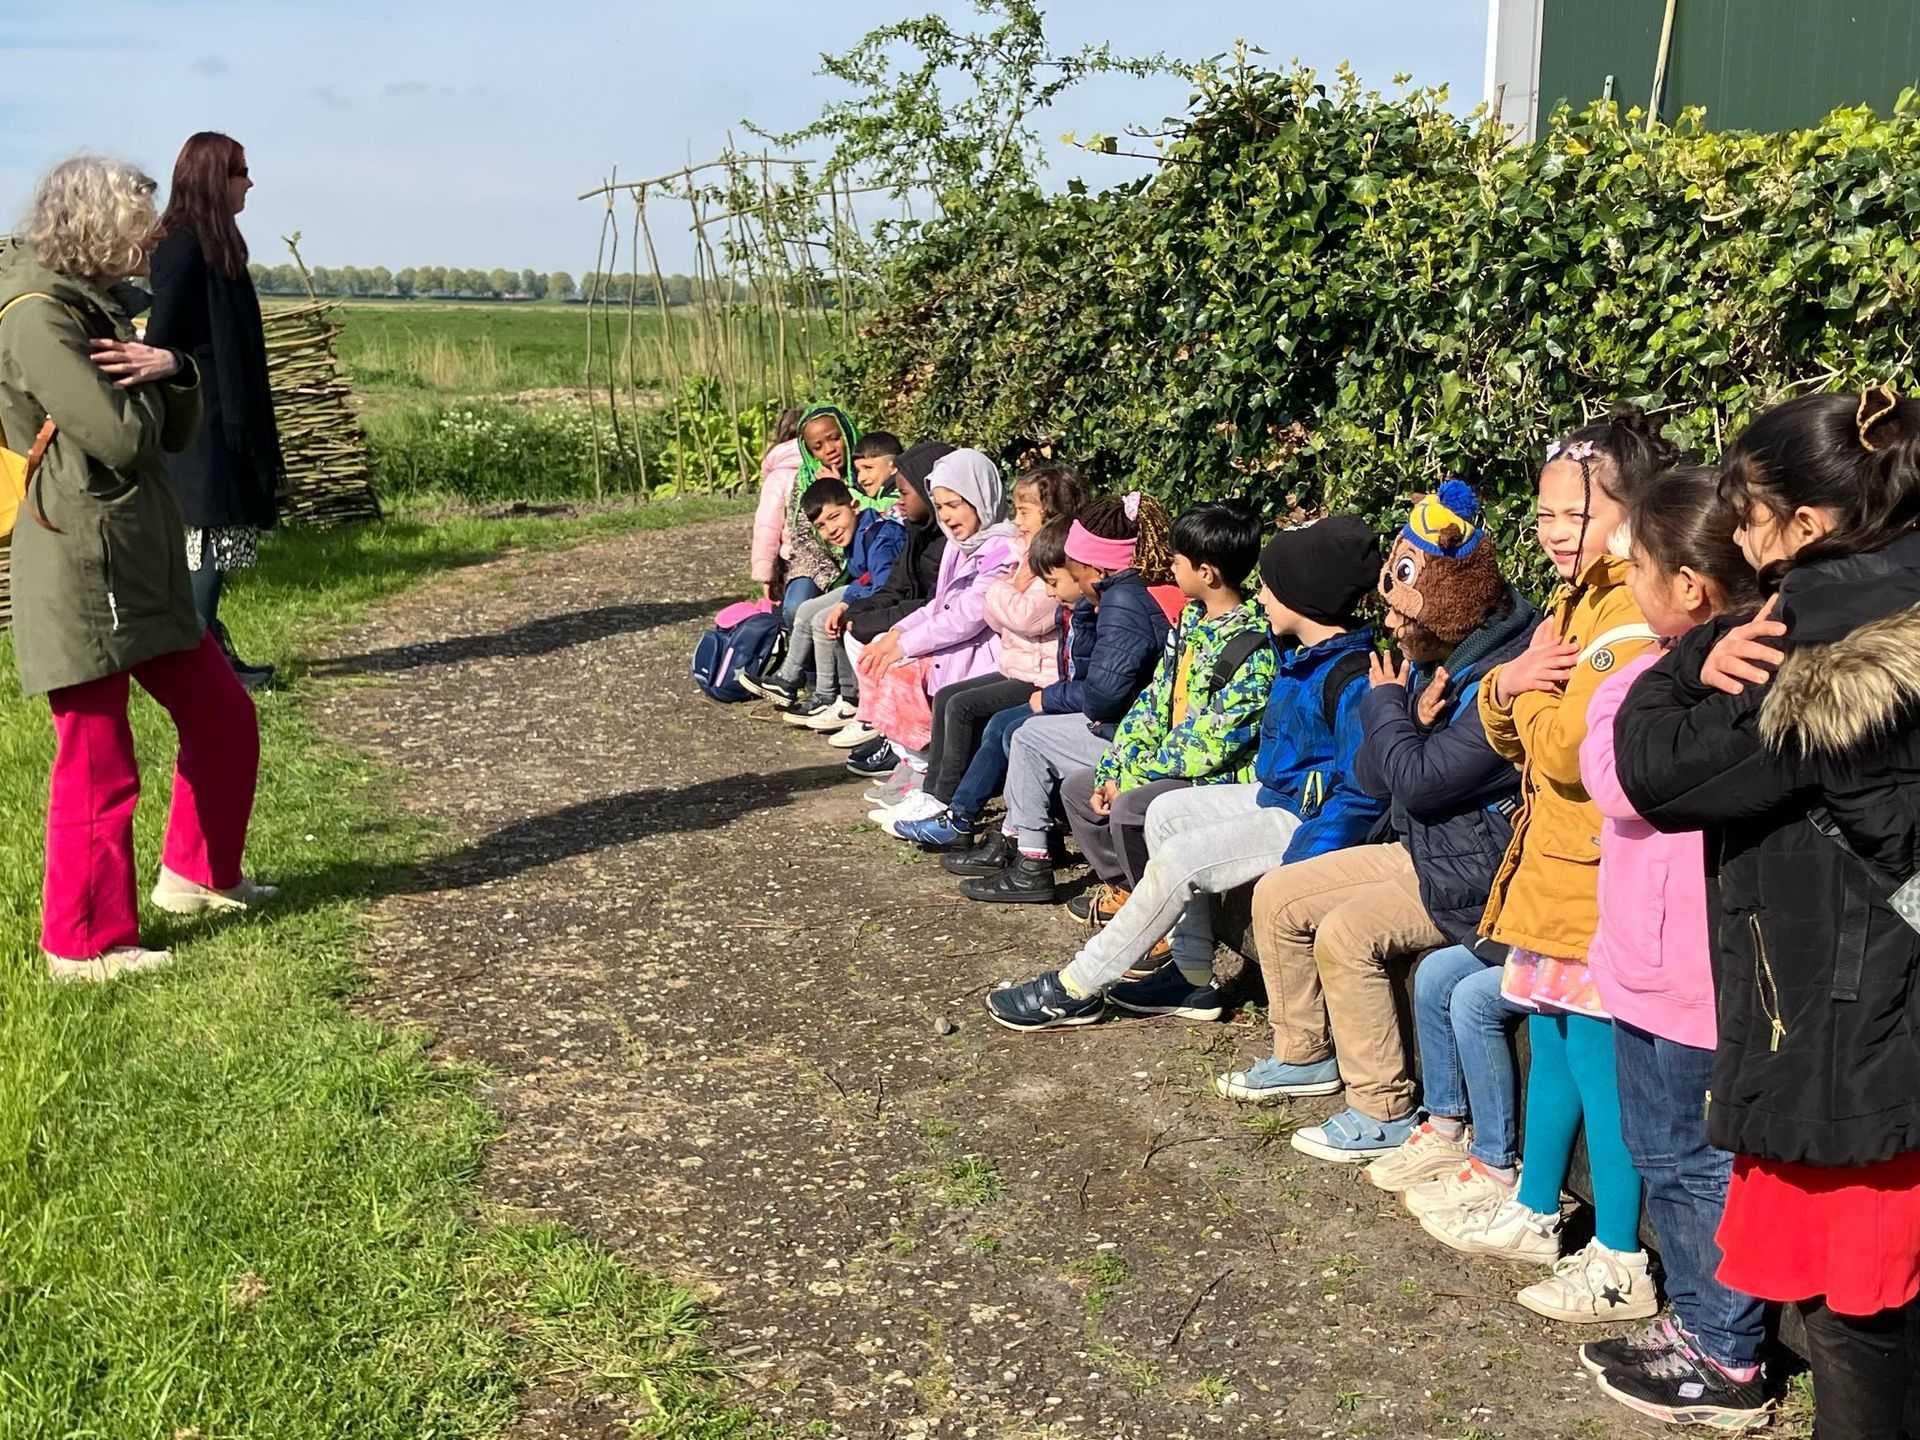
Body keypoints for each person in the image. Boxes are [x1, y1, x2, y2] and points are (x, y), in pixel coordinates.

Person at [1616, 387, 1920, 1440]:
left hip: (1854, 1016)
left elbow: (1657, 772)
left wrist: (1687, 661)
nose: (1740, 542)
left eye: (1748, 514)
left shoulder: (1807, 634)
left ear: (1808, 524)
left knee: (1861, 1313)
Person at [1417, 407, 1673, 1329]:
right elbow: (1497, 722)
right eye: (1542, 515)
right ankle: (1534, 1209)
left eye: (1574, 514)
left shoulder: (1632, 610)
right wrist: (1508, 686)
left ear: (1629, 510)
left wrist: (1519, 696)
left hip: (1599, 873)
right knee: (1560, 1036)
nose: (1554, 534)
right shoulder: (1575, 603)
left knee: (1600, 1058)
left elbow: (1571, 755)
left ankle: (1620, 1255)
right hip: (1552, 867)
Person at [0, 155, 272, 983]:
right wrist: (154, 377)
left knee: (225, 716)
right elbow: (120, 437)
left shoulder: (98, 311)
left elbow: (168, 428)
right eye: (133, 221)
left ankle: (199, 875)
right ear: (89, 225)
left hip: (137, 557)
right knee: (97, 756)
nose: (149, 237)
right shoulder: (38, 317)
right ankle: (81, 942)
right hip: (82, 559)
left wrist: (172, 366)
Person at [1221, 482, 1537, 1163]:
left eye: (1402, 615)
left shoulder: (1496, 677)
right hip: (1429, 850)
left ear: (1443, 607)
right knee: (1280, 893)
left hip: (1475, 873)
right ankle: (1303, 1053)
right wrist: (1398, 716)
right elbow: (1373, 776)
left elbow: (1420, 784)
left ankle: (1382, 1105)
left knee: (1347, 934)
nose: (1390, 627)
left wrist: (1391, 709)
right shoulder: (1433, 662)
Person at [984, 515, 1386, 1030]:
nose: (1260, 597)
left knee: (1184, 855)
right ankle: (1193, 978)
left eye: (1272, 588)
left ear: (1304, 597)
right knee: (1168, 813)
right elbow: (1163, 704)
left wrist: (1304, 864)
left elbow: (1358, 794)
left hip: (1308, 822)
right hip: (1278, 796)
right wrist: (1120, 766)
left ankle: (1078, 984)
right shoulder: (1299, 657)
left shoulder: (1349, 677)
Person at [1573, 466, 1770, 1429]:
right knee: (1664, 1150)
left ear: (1689, 585)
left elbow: (1610, 776)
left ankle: (1726, 1353)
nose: (1628, 578)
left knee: (1694, 1162)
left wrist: (1623, 680)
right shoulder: (1685, 664)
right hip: (1648, 965)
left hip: (1693, 976)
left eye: (1641, 563)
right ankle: (1700, 1323)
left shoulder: (1694, 676)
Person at [1050, 498, 1273, 923]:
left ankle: (1156, 920)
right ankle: (1130, 889)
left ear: (1205, 572)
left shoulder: (1252, 646)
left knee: (1133, 806)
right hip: (1167, 765)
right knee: (1079, 790)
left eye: (1177, 561)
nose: (1168, 568)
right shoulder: (1190, 621)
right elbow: (1153, 701)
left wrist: (1132, 781)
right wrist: (1113, 770)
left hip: (1216, 775)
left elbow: (1210, 744)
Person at [955, 492, 1175, 903]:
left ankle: (1032, 862)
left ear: (1094, 566)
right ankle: (1024, 843)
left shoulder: (1123, 600)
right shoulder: (1139, 589)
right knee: (1028, 731)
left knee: (1030, 737)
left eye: (1072, 570)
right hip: (1139, 725)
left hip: (1131, 731)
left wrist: (1092, 615)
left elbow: (1103, 695)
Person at [144, 131, 283, 691]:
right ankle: (197, 671)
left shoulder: (213, 242)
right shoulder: (181, 245)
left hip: (225, 416)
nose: (249, 181)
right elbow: (161, 340)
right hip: (198, 422)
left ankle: (212, 657)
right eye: (240, 171)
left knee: (217, 540)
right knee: (205, 539)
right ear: (211, 178)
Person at [883, 464, 1087, 835]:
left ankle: (949, 803)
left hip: (1043, 675)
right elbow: (998, 615)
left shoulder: (1055, 560)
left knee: (967, 708)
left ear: (1051, 512)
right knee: (950, 697)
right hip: (1021, 666)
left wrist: (1004, 588)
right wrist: (1010, 587)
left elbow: (1025, 616)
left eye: (1025, 512)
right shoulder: (1024, 555)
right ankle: (933, 794)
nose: (1016, 520)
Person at [853, 449, 1021, 796]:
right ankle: (911, 759)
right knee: (880, 654)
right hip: (956, 647)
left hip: (981, 655)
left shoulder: (1002, 549)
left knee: (903, 669)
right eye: (940, 506)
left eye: (956, 504)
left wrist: (904, 645)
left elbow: (966, 618)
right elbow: (939, 604)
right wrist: (896, 634)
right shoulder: (959, 547)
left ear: (980, 498)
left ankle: (925, 770)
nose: (947, 516)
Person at [744, 476, 906, 727]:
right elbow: (864, 577)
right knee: (807, 608)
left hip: (883, 596)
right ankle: (788, 680)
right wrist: (848, 598)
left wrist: (846, 604)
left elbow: (882, 584)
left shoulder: (878, 536)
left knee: (823, 620)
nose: (830, 530)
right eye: (821, 525)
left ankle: (836, 697)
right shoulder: (859, 531)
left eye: (834, 517)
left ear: (854, 506)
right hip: (865, 587)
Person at [837, 441, 953, 779]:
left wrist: (876, 623)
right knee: (855, 631)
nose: (898, 501)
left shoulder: (947, 543)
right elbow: (896, 586)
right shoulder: (917, 531)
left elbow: (935, 605)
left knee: (875, 645)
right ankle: (886, 730)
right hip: (916, 618)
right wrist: (854, 611)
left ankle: (908, 748)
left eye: (904, 492)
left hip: (931, 628)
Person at [850, 430, 904, 509]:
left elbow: (879, 510)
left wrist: (845, 491)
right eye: (858, 471)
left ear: (894, 467)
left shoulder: (901, 491)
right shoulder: (877, 494)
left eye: (868, 468)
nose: (860, 479)